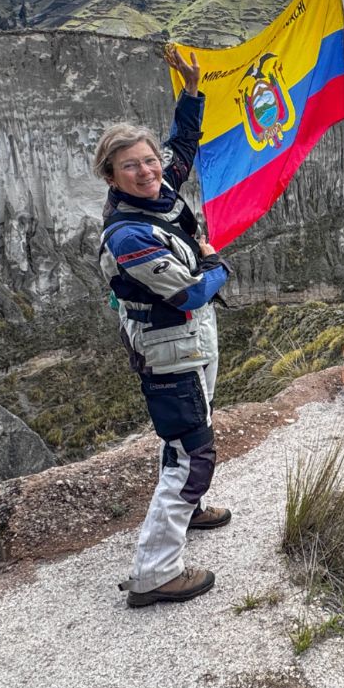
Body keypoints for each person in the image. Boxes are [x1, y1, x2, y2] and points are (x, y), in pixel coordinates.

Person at [92, 44, 231, 608]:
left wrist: (191, 92)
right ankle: (155, 573)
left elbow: (182, 146)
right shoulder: (129, 236)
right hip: (170, 344)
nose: (148, 171)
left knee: (189, 430)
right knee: (190, 452)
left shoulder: (158, 189)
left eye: (148, 161)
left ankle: (188, 510)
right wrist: (216, 263)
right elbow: (190, 289)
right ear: (110, 175)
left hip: (189, 337)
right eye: (131, 166)